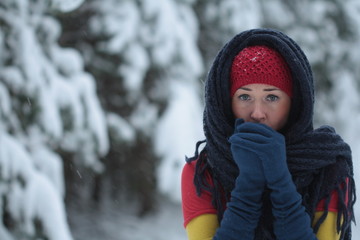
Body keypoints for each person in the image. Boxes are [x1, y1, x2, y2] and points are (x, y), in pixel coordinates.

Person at [181, 28, 356, 240]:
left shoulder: (327, 170)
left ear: (294, 103)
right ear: (228, 102)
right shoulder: (203, 172)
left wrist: (280, 181)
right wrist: (249, 184)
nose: (257, 113)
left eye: (271, 97)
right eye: (244, 97)